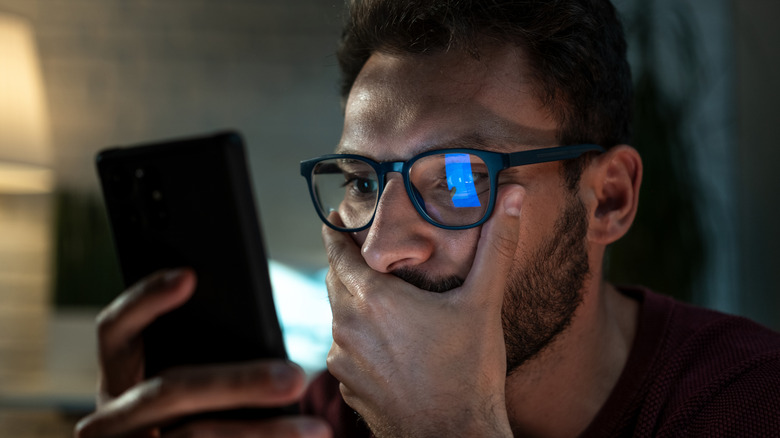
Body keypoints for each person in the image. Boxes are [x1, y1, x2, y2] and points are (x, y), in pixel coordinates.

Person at [76, 0, 780, 437]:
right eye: (359, 181)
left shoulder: (744, 404)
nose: (381, 250)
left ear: (608, 200)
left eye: (457, 179)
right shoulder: (328, 414)